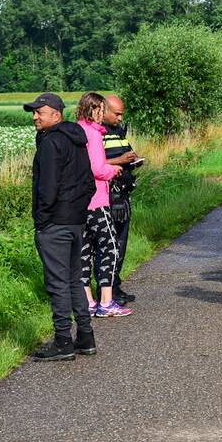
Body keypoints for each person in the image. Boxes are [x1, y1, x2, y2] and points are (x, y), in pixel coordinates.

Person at [24, 92, 97, 361]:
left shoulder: (51, 142)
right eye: (33, 112)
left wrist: (42, 221)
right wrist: (76, 211)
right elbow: (89, 183)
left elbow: (48, 187)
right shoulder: (76, 139)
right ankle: (86, 336)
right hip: (76, 221)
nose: (34, 117)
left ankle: (63, 341)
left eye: (39, 112)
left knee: (57, 283)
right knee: (75, 279)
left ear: (56, 114)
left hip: (55, 223)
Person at [76, 92, 132, 318]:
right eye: (101, 110)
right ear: (96, 110)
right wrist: (115, 170)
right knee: (110, 247)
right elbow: (97, 168)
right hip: (98, 200)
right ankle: (106, 302)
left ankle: (87, 301)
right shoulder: (94, 134)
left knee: (85, 251)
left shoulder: (77, 132)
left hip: (80, 204)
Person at [102, 94, 139, 306]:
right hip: (108, 198)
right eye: (116, 114)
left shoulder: (118, 131)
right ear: (104, 111)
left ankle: (115, 286)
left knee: (121, 245)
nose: (119, 118)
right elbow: (95, 164)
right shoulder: (97, 134)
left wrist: (132, 161)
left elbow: (124, 156)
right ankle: (108, 291)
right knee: (109, 246)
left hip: (122, 196)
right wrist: (120, 160)